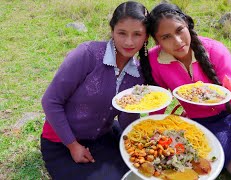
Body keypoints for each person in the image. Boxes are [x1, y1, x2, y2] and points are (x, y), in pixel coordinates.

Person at [141, 3, 231, 180]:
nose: (177, 41)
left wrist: (205, 101)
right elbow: (159, 100)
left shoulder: (215, 50)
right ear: (157, 41)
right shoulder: (155, 61)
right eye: (166, 37)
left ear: (187, 24)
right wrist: (154, 127)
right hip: (204, 121)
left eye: (180, 30)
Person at [40, 1, 149, 179]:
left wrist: (139, 139)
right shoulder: (88, 55)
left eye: (137, 34)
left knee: (137, 171)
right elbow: (50, 101)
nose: (129, 41)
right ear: (112, 31)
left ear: (146, 37)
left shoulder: (138, 73)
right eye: (122, 33)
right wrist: (73, 146)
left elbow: (126, 115)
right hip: (62, 142)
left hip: (102, 137)